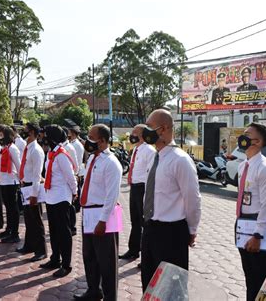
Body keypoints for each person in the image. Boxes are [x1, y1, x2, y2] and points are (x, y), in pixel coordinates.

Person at [140, 109, 201, 292]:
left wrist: (192, 230)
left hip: (172, 233)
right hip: (151, 228)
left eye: (149, 127)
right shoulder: (155, 157)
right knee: (149, 284)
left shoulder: (180, 160)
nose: (145, 131)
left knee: (171, 288)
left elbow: (192, 199)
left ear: (163, 129)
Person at [74, 124, 122, 301]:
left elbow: (112, 195)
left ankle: (111, 297)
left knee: (107, 261)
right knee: (90, 256)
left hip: (102, 215)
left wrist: (103, 221)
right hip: (88, 214)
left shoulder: (111, 163)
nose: (87, 140)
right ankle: (94, 291)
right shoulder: (92, 160)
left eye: (91, 137)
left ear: (102, 141)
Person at [235, 123, 266, 301]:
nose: (242, 137)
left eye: (247, 134)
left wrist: (258, 235)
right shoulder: (243, 166)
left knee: (261, 279)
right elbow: (257, 198)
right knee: (250, 277)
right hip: (242, 224)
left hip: (256, 231)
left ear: (258, 142)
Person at [40, 125, 77, 278]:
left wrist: (75, 192)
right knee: (54, 230)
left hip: (62, 197)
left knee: (64, 232)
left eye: (46, 135)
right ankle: (55, 258)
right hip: (51, 196)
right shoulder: (51, 153)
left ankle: (66, 264)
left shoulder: (61, 155)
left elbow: (70, 176)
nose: (43, 138)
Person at [119, 124, 156, 265]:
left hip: (143, 189)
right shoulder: (136, 150)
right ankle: (133, 250)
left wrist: (148, 194)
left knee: (145, 223)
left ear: (141, 135)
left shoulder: (149, 151)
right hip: (134, 188)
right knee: (135, 220)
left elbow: (150, 174)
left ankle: (148, 256)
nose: (131, 135)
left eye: (134, 133)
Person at [16, 122, 47, 262]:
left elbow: (36, 174)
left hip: (32, 187)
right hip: (25, 185)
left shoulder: (36, 150)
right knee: (28, 219)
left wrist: (34, 194)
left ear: (33, 132)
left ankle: (41, 250)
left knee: (36, 219)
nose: (24, 132)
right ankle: (29, 245)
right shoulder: (28, 148)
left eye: (26, 130)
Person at [0, 126, 21, 243]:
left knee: (13, 208)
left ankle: (15, 233)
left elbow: (18, 165)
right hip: (4, 181)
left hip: (12, 182)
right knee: (7, 207)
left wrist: (21, 180)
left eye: (1, 134)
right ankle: (9, 229)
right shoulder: (4, 148)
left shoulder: (13, 149)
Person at [61, 126, 79, 236]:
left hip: (70, 178)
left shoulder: (70, 148)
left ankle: (72, 227)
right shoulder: (64, 147)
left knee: (71, 206)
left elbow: (75, 166)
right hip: (65, 179)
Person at [68, 126, 85, 212]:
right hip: (76, 170)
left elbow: (77, 159)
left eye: (69, 132)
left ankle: (77, 207)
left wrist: (76, 172)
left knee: (77, 189)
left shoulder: (76, 145)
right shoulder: (73, 143)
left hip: (77, 170)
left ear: (73, 133)